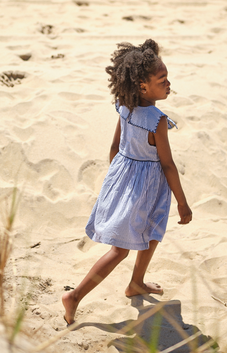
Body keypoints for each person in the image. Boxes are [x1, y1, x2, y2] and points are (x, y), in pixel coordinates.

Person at [62, 39, 192, 324]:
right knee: (121, 249)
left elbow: (114, 146)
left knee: (151, 233)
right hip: (148, 187)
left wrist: (117, 182)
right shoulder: (157, 120)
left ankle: (136, 283)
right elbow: (167, 164)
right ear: (143, 87)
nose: (169, 84)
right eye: (163, 80)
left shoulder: (125, 105)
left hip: (124, 178)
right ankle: (75, 296)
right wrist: (182, 203)